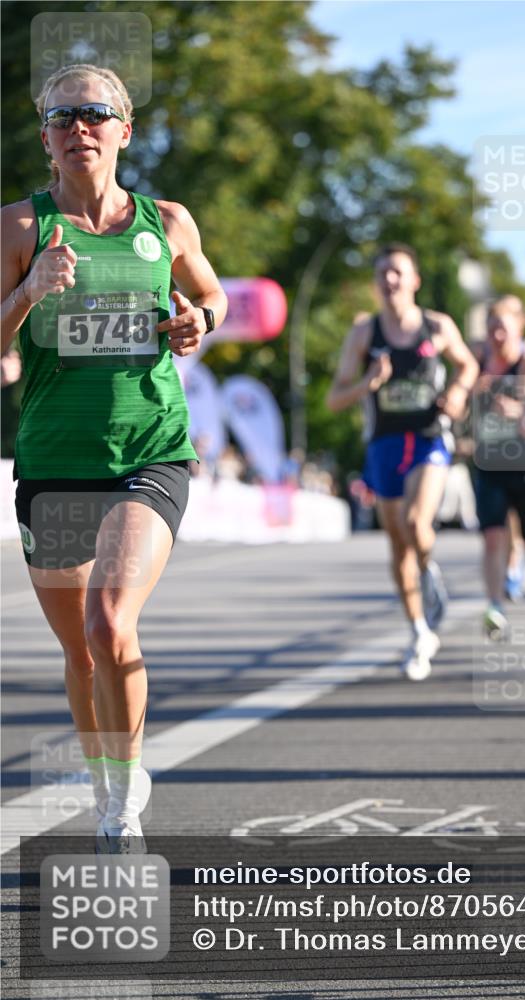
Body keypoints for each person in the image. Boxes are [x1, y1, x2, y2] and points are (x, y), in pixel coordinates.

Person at [0, 64, 227, 851]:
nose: (78, 129)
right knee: (79, 653)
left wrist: (200, 319)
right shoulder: (18, 230)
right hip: (54, 459)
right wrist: (28, 292)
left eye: (94, 114)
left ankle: (121, 799)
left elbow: (211, 295)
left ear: (124, 130)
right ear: (46, 139)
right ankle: (105, 773)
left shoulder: (166, 220)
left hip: (149, 450)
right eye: (61, 119)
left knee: (109, 623)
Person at [327, 243, 478, 680]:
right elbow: (335, 398)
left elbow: (468, 366)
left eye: (397, 272)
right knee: (397, 545)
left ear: (415, 280)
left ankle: (429, 568)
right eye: (382, 274)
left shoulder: (437, 326)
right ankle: (418, 632)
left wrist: (458, 394)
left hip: (430, 439)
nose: (389, 280)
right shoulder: (363, 334)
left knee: (416, 522)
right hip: (384, 444)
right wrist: (367, 384)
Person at [472, 295, 525, 640]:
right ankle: (495, 605)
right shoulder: (478, 361)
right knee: (493, 536)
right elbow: (458, 392)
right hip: (489, 461)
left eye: (502, 328)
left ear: (520, 326)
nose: (497, 336)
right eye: (491, 329)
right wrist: (467, 394)